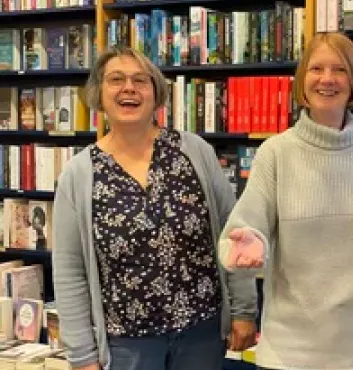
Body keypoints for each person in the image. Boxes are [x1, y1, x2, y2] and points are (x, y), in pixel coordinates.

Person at [52, 47, 257, 370]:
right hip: (127, 345)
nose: (129, 88)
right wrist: (81, 354)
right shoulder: (79, 173)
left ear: (156, 92)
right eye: (116, 80)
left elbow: (234, 232)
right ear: (99, 95)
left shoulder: (193, 151)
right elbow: (69, 270)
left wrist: (244, 309)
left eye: (140, 80)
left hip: (201, 334)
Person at [217, 32, 353, 370]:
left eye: (339, 69)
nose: (327, 79)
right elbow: (240, 233)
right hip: (293, 354)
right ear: (302, 81)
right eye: (316, 69)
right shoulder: (275, 153)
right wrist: (245, 247)